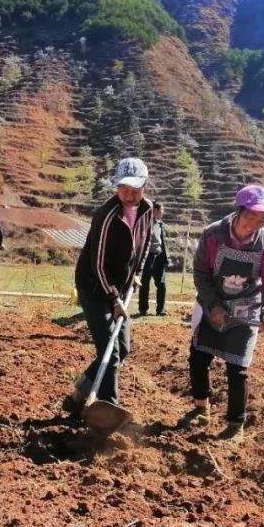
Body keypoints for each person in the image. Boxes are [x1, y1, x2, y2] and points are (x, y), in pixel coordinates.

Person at [185, 185, 264, 442]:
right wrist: (213, 305)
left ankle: (235, 424)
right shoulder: (213, 235)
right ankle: (200, 408)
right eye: (251, 216)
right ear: (238, 211)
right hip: (213, 301)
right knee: (199, 356)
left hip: (246, 308)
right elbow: (201, 275)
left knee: (237, 368)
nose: (255, 223)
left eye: (262, 219)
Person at [62, 157, 154, 417]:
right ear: (117, 187)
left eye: (135, 188)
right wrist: (114, 299)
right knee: (110, 351)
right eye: (124, 188)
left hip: (121, 286)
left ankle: (79, 393)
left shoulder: (147, 211)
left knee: (122, 348)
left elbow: (144, 246)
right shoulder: (106, 216)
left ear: (145, 186)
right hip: (94, 285)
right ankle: (108, 410)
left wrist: (136, 274)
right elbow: (98, 264)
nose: (129, 194)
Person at [137, 201, 169, 316]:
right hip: (148, 256)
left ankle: (161, 310)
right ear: (154, 211)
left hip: (159, 256)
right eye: (160, 211)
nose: (162, 213)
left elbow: (163, 243)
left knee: (161, 283)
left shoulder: (161, 224)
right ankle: (143, 309)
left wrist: (166, 257)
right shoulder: (146, 223)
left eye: (162, 211)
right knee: (145, 283)